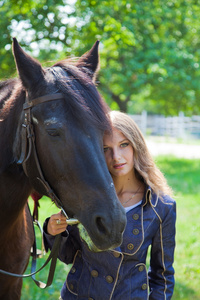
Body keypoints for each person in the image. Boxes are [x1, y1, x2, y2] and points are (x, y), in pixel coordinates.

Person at [43, 110, 176, 300]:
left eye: (123, 145)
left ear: (136, 146)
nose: (116, 156)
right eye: (105, 148)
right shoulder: (84, 196)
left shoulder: (161, 206)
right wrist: (53, 231)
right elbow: (68, 256)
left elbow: (162, 275)